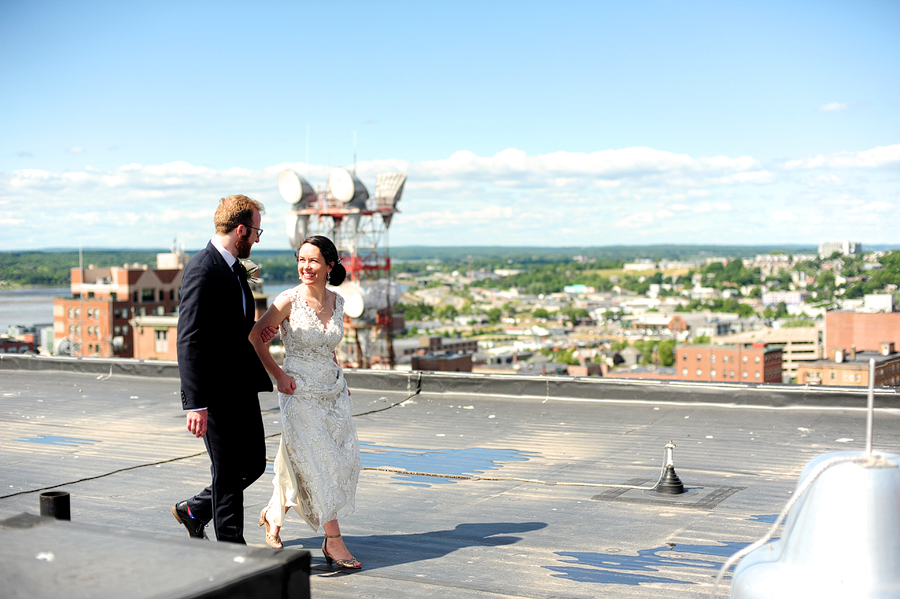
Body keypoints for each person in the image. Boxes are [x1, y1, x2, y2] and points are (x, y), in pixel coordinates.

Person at [249, 235, 362, 568]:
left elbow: (329, 346)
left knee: (332, 461)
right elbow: (255, 337)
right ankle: (334, 540)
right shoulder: (287, 300)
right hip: (297, 391)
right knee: (319, 463)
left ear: (330, 265)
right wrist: (279, 377)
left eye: (313, 261)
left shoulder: (338, 301)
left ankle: (273, 512)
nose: (306, 267)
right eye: (301, 259)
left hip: (332, 391)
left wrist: (340, 377)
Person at [171, 194, 274, 544]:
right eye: (257, 231)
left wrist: (263, 330)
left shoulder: (232, 268)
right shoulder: (204, 268)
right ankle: (232, 550)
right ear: (241, 229)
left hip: (241, 388)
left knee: (254, 465)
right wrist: (195, 402)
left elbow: (231, 326)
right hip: (215, 394)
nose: (258, 240)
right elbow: (189, 340)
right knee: (228, 474)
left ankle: (195, 509)